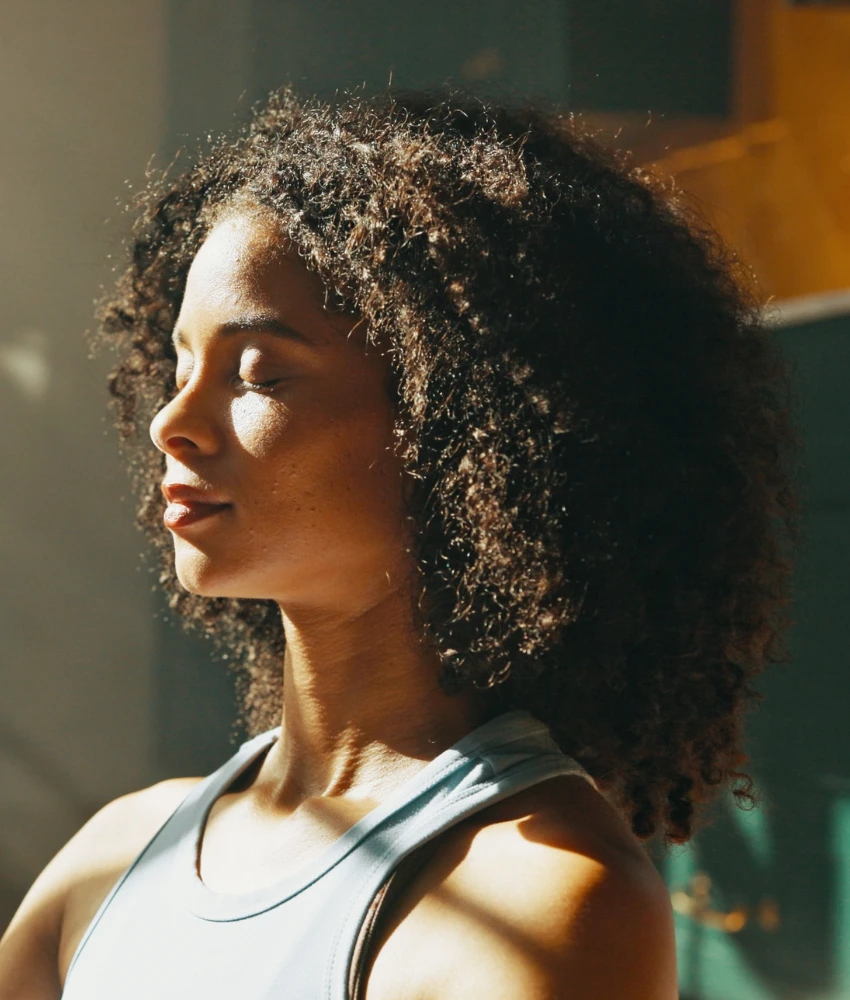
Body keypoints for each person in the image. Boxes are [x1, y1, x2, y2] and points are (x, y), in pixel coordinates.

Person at [0, 85, 800, 999]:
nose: (172, 423)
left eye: (257, 373)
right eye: (179, 365)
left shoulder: (540, 900)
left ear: (462, 422)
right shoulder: (116, 855)